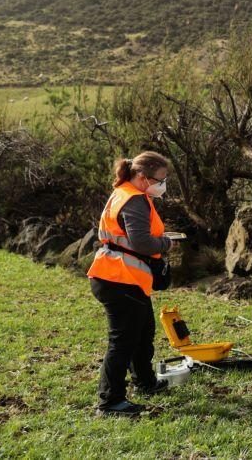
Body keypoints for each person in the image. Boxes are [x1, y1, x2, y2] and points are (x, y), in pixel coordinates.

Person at [87, 151, 176, 416]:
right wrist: (167, 243)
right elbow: (141, 242)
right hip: (119, 279)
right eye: (159, 180)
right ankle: (110, 401)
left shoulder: (125, 192)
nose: (162, 185)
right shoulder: (134, 200)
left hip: (122, 277)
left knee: (143, 332)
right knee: (123, 341)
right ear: (141, 176)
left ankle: (144, 381)